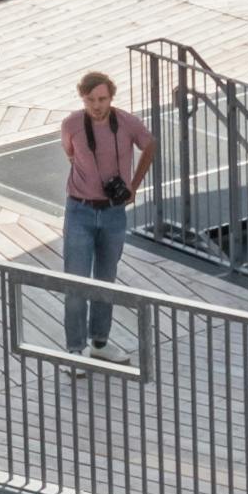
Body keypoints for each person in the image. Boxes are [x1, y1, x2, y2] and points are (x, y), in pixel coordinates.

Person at [55, 68, 154, 350]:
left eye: (102, 99)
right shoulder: (71, 124)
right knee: (75, 286)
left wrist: (133, 185)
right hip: (80, 210)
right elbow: (70, 153)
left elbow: (149, 145)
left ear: (111, 97)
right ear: (82, 99)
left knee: (105, 281)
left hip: (113, 212)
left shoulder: (127, 122)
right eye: (90, 100)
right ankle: (75, 350)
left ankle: (99, 343)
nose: (97, 106)